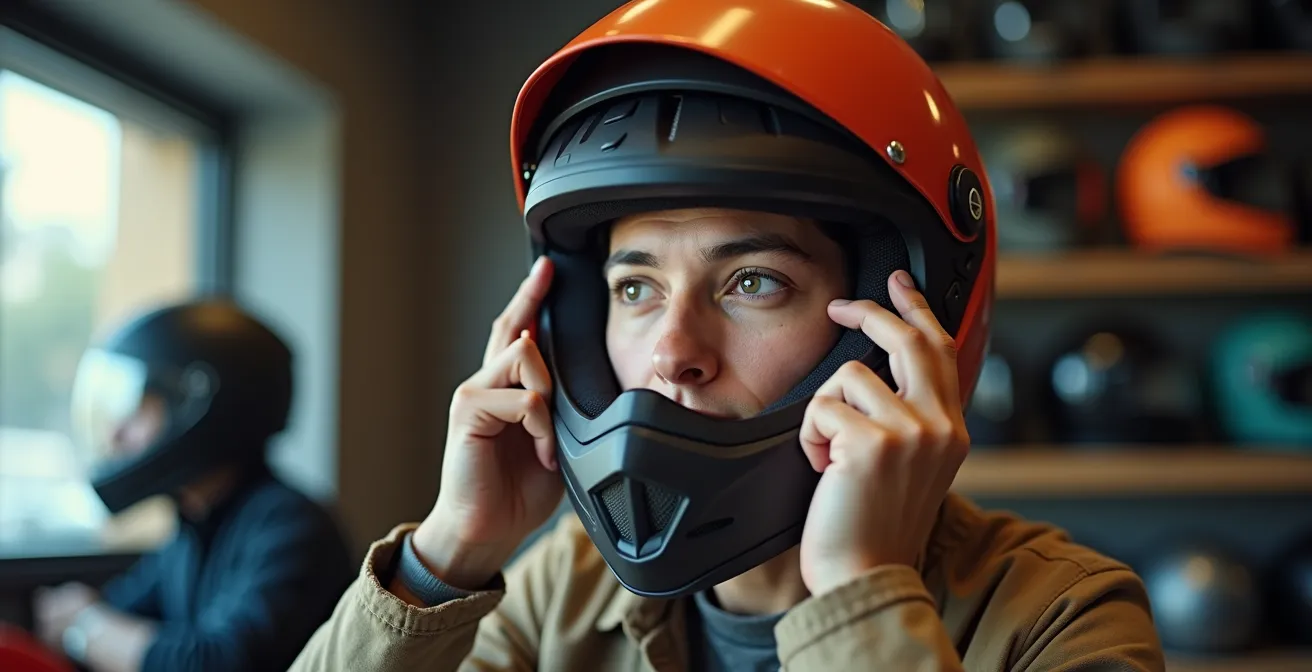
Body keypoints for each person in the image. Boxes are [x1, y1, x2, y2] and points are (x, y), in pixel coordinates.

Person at [291, 2, 1166, 670]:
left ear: (904, 327)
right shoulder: (562, 591)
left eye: (753, 282)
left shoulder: (1060, 615)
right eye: (635, 288)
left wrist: (863, 590)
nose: (672, 354)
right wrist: (450, 553)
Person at [32, 298, 356, 672]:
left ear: (199, 407)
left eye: (139, 410)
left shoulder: (292, 526)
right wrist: (80, 617)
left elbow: (219, 663)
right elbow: (118, 609)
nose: (117, 435)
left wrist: (84, 627)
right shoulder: (193, 528)